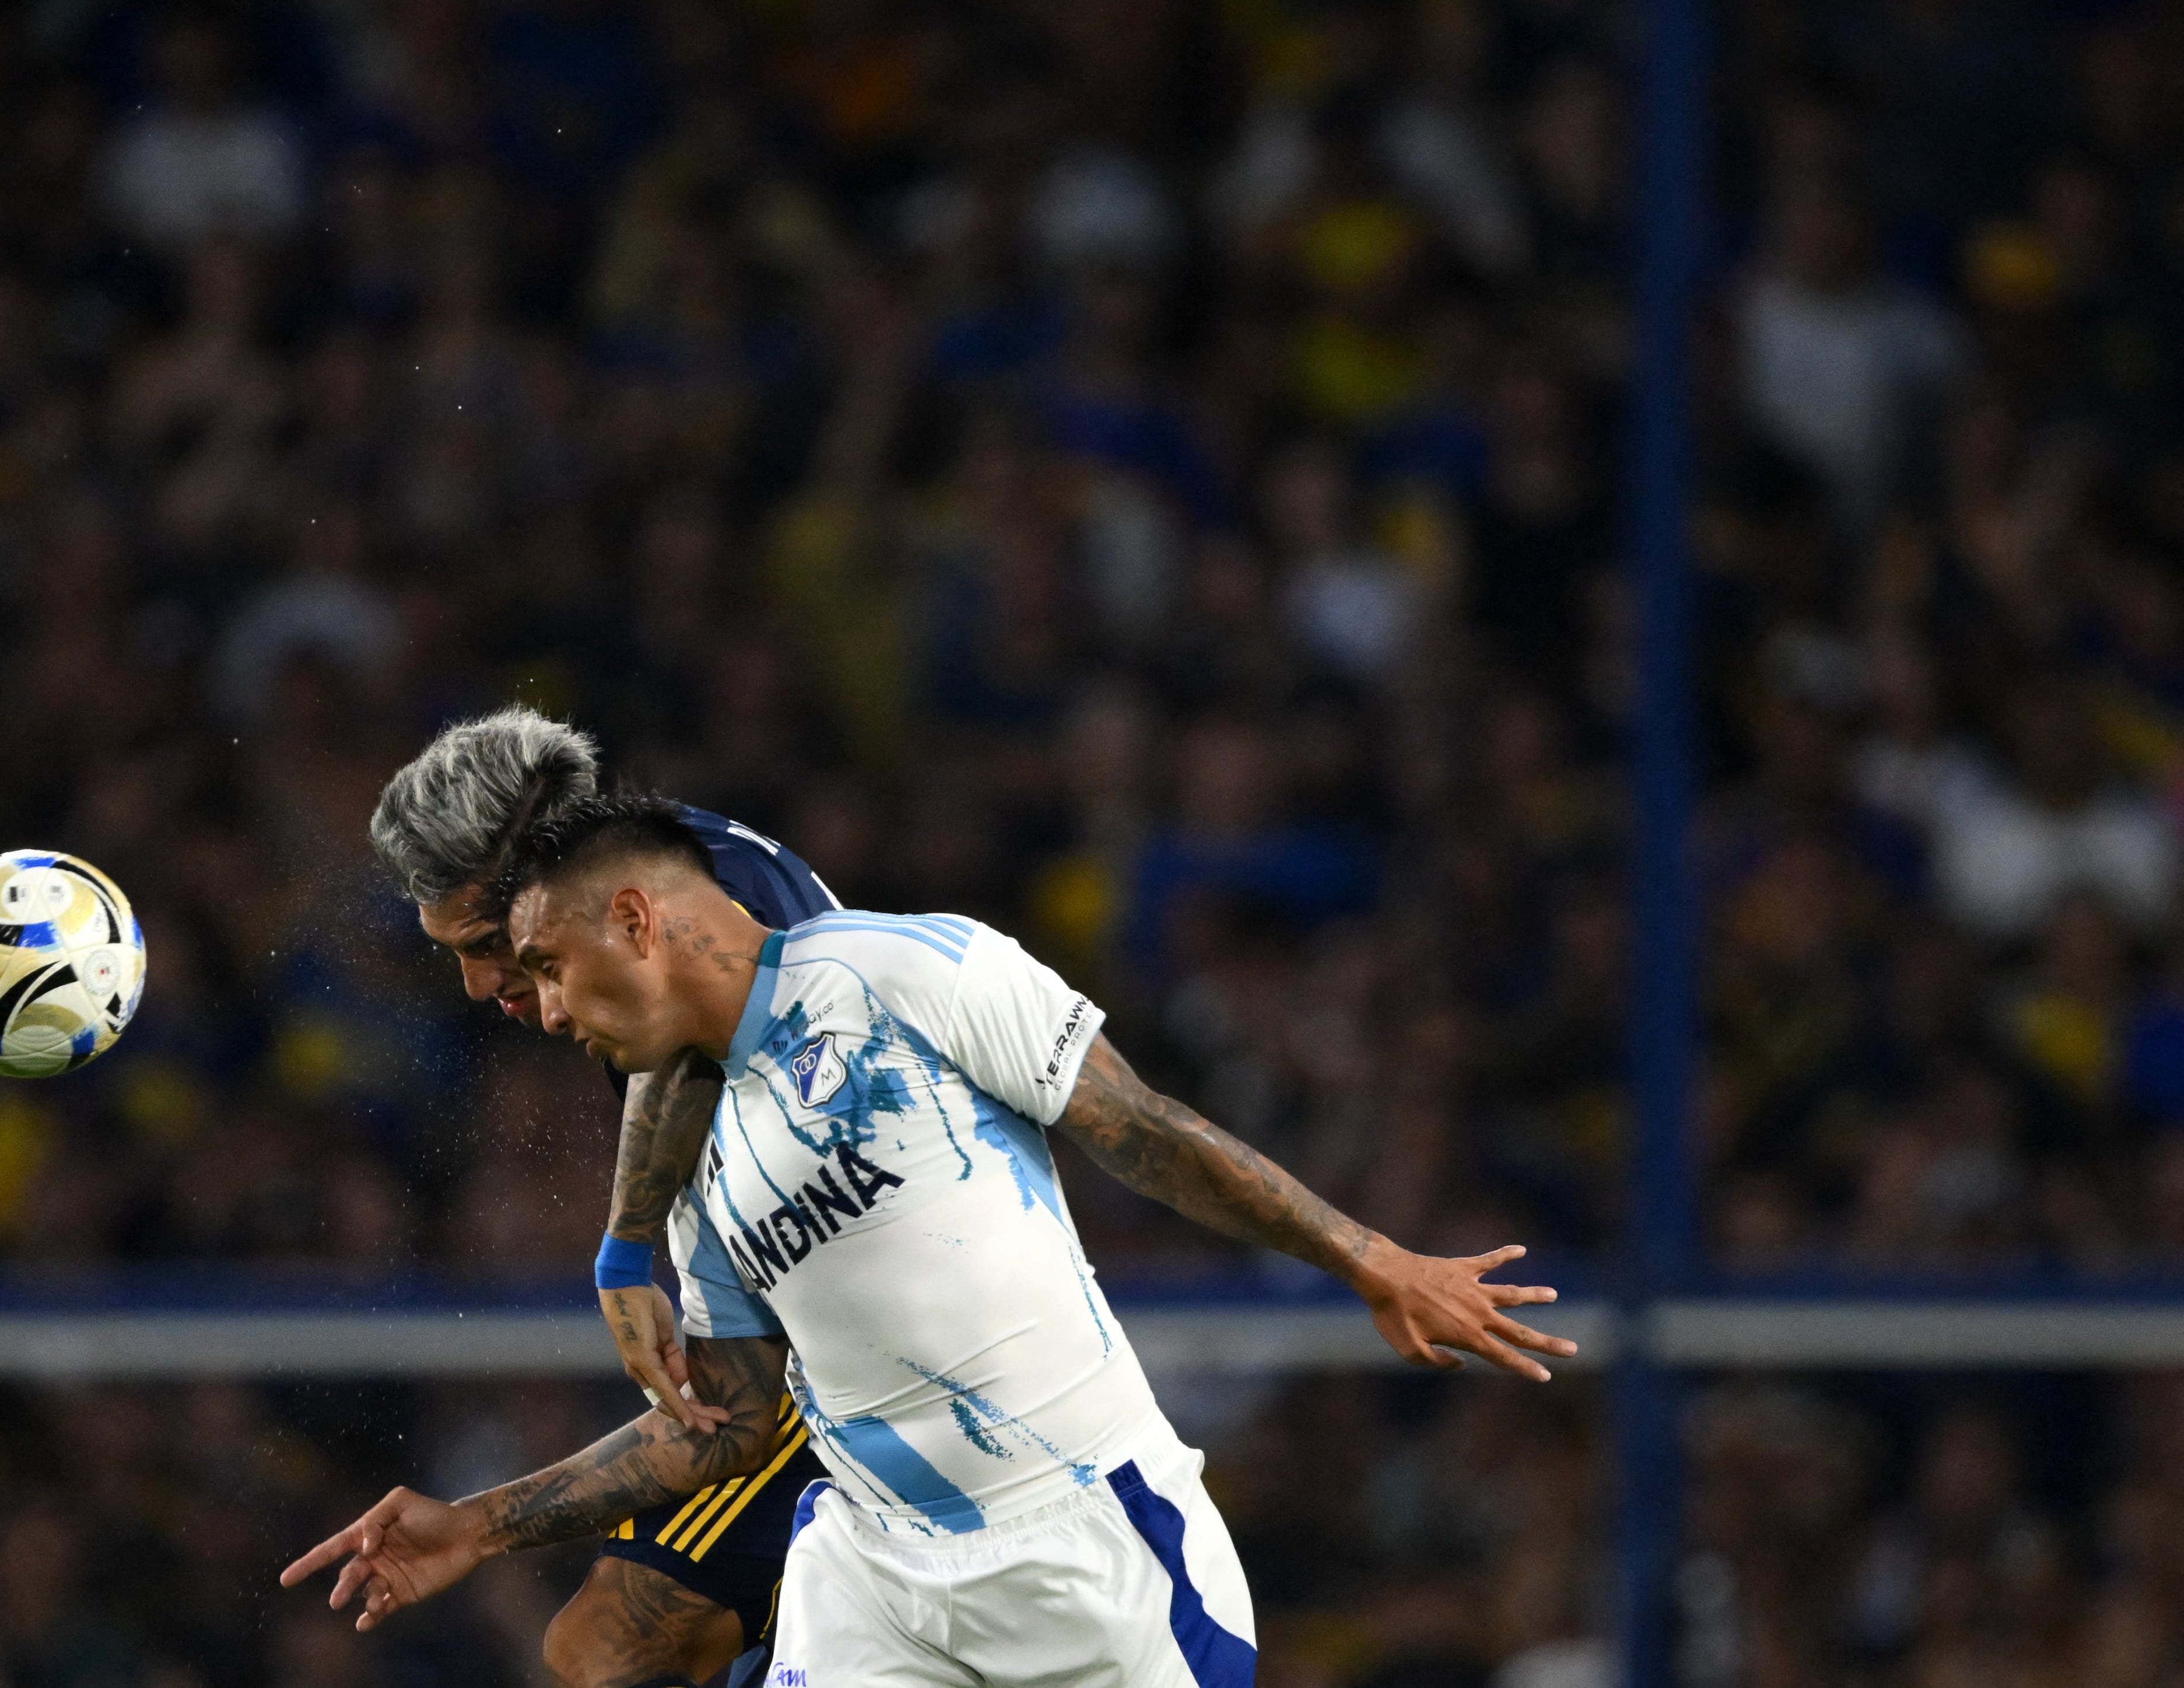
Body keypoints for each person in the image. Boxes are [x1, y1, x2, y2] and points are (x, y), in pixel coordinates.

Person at [294, 792, 1574, 1686]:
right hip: (878, 1575)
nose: (543, 1008)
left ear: (633, 919)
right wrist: (480, 1522)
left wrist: (1369, 1258)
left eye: (546, 967)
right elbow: (729, 1426)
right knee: (598, 1647)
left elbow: (1145, 1131)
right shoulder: (691, 1177)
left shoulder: (910, 974)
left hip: (1091, 1550)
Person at [367, 711, 838, 1688]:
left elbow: (739, 1406)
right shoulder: (684, 889)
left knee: (609, 1649)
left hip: (874, 1386)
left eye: (492, 939)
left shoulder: (697, 929)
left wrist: (624, 1255)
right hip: (845, 1357)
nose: (478, 982)